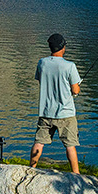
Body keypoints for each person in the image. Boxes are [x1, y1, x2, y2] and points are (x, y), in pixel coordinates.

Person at [30, 32, 82, 173]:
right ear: (62, 47)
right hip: (66, 113)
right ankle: (76, 175)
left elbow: (41, 80)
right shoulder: (69, 66)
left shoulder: (42, 63)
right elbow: (76, 90)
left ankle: (31, 169)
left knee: (39, 143)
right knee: (70, 145)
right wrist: (76, 88)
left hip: (46, 111)